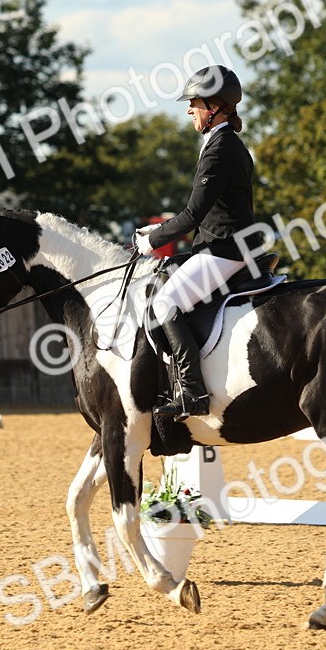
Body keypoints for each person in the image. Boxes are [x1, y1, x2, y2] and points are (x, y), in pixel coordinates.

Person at [134, 65, 262, 420]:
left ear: (215, 106)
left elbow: (192, 215)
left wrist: (152, 240)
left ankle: (192, 391)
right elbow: (200, 213)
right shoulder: (225, 144)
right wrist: (156, 234)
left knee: (164, 305)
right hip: (222, 245)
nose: (189, 109)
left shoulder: (220, 149)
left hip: (224, 250)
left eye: (194, 102)